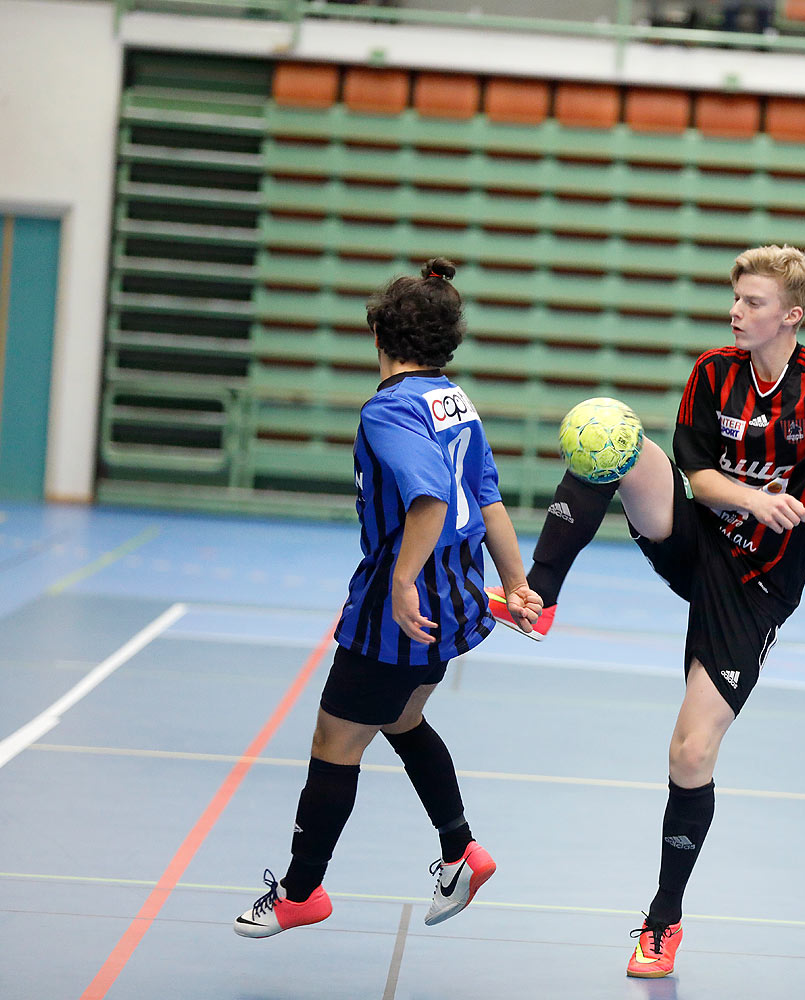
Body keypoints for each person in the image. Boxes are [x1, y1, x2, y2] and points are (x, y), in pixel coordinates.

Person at [489, 245, 805, 977]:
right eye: (736, 298)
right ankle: (538, 596)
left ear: (790, 315)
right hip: (696, 539)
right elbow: (698, 475)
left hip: (756, 588)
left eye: (754, 302)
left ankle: (662, 922)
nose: (737, 312)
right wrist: (754, 499)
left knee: (690, 753)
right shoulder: (713, 373)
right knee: (611, 433)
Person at [232, 258, 542, 939]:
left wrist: (401, 581)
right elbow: (487, 496)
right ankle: (461, 850)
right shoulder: (455, 401)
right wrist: (516, 584)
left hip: (401, 611)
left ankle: (301, 891)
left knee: (334, 741)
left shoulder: (388, 411)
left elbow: (431, 499)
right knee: (401, 721)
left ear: (380, 336)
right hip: (458, 600)